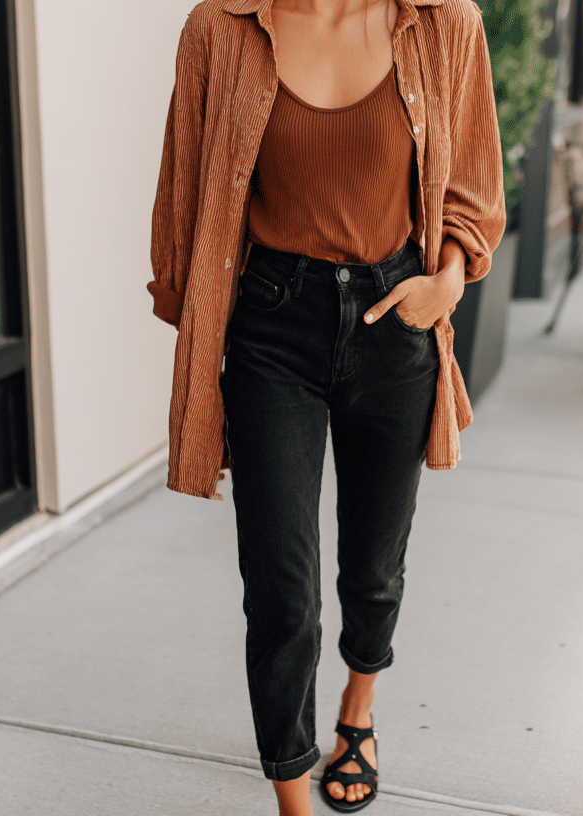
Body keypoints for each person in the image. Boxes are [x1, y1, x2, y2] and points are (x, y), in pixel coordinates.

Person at [148, 0, 504, 812]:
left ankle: (358, 712)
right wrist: (187, 303)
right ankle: (292, 795)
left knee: (373, 567)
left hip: (394, 319)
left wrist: (445, 282)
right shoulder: (221, 30)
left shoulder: (445, 23)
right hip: (274, 325)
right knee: (278, 584)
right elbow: (184, 179)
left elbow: (474, 187)